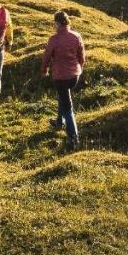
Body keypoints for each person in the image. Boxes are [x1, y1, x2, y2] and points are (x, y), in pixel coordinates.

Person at [40, 10, 85, 150]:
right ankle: (59, 122)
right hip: (75, 75)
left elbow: (47, 56)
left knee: (67, 106)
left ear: (57, 23)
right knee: (63, 96)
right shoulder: (76, 36)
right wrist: (80, 68)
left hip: (61, 76)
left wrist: (44, 70)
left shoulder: (54, 39)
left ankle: (73, 137)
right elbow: (82, 55)